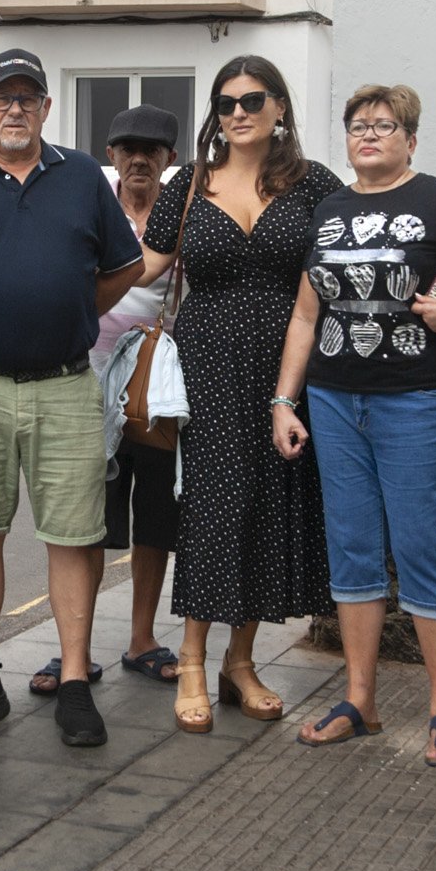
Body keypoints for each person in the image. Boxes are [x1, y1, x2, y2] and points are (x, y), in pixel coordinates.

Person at [274, 84, 436, 764]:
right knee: (352, 547)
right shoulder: (329, 209)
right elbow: (305, 316)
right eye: (357, 125)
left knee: (421, 545)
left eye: (384, 124)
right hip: (333, 400)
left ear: (411, 137)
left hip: (415, 397)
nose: (369, 134)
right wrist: (283, 401)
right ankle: (360, 698)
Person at [0, 49, 142, 749]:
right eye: (1, 96)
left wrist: (69, 306)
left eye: (28, 96)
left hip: (68, 382)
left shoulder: (80, 176)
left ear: (47, 107)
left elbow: (124, 266)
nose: (15, 107)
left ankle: (75, 680)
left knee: (76, 537)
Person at [128, 56, 342, 733]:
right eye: (225, 104)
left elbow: (365, 227)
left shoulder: (314, 185)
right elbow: (147, 264)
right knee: (214, 506)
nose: (238, 113)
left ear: (280, 107)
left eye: (253, 100)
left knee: (268, 506)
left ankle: (239, 661)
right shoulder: (188, 184)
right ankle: (191, 657)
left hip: (288, 367)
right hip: (209, 362)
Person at [89, 105, 183, 686]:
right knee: (85, 524)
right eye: (128, 149)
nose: (139, 159)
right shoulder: (95, 213)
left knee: (154, 519)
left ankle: (142, 637)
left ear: (169, 160)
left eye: (152, 150)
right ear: (113, 157)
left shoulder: (183, 222)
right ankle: (75, 642)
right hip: (88, 385)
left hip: (154, 393)